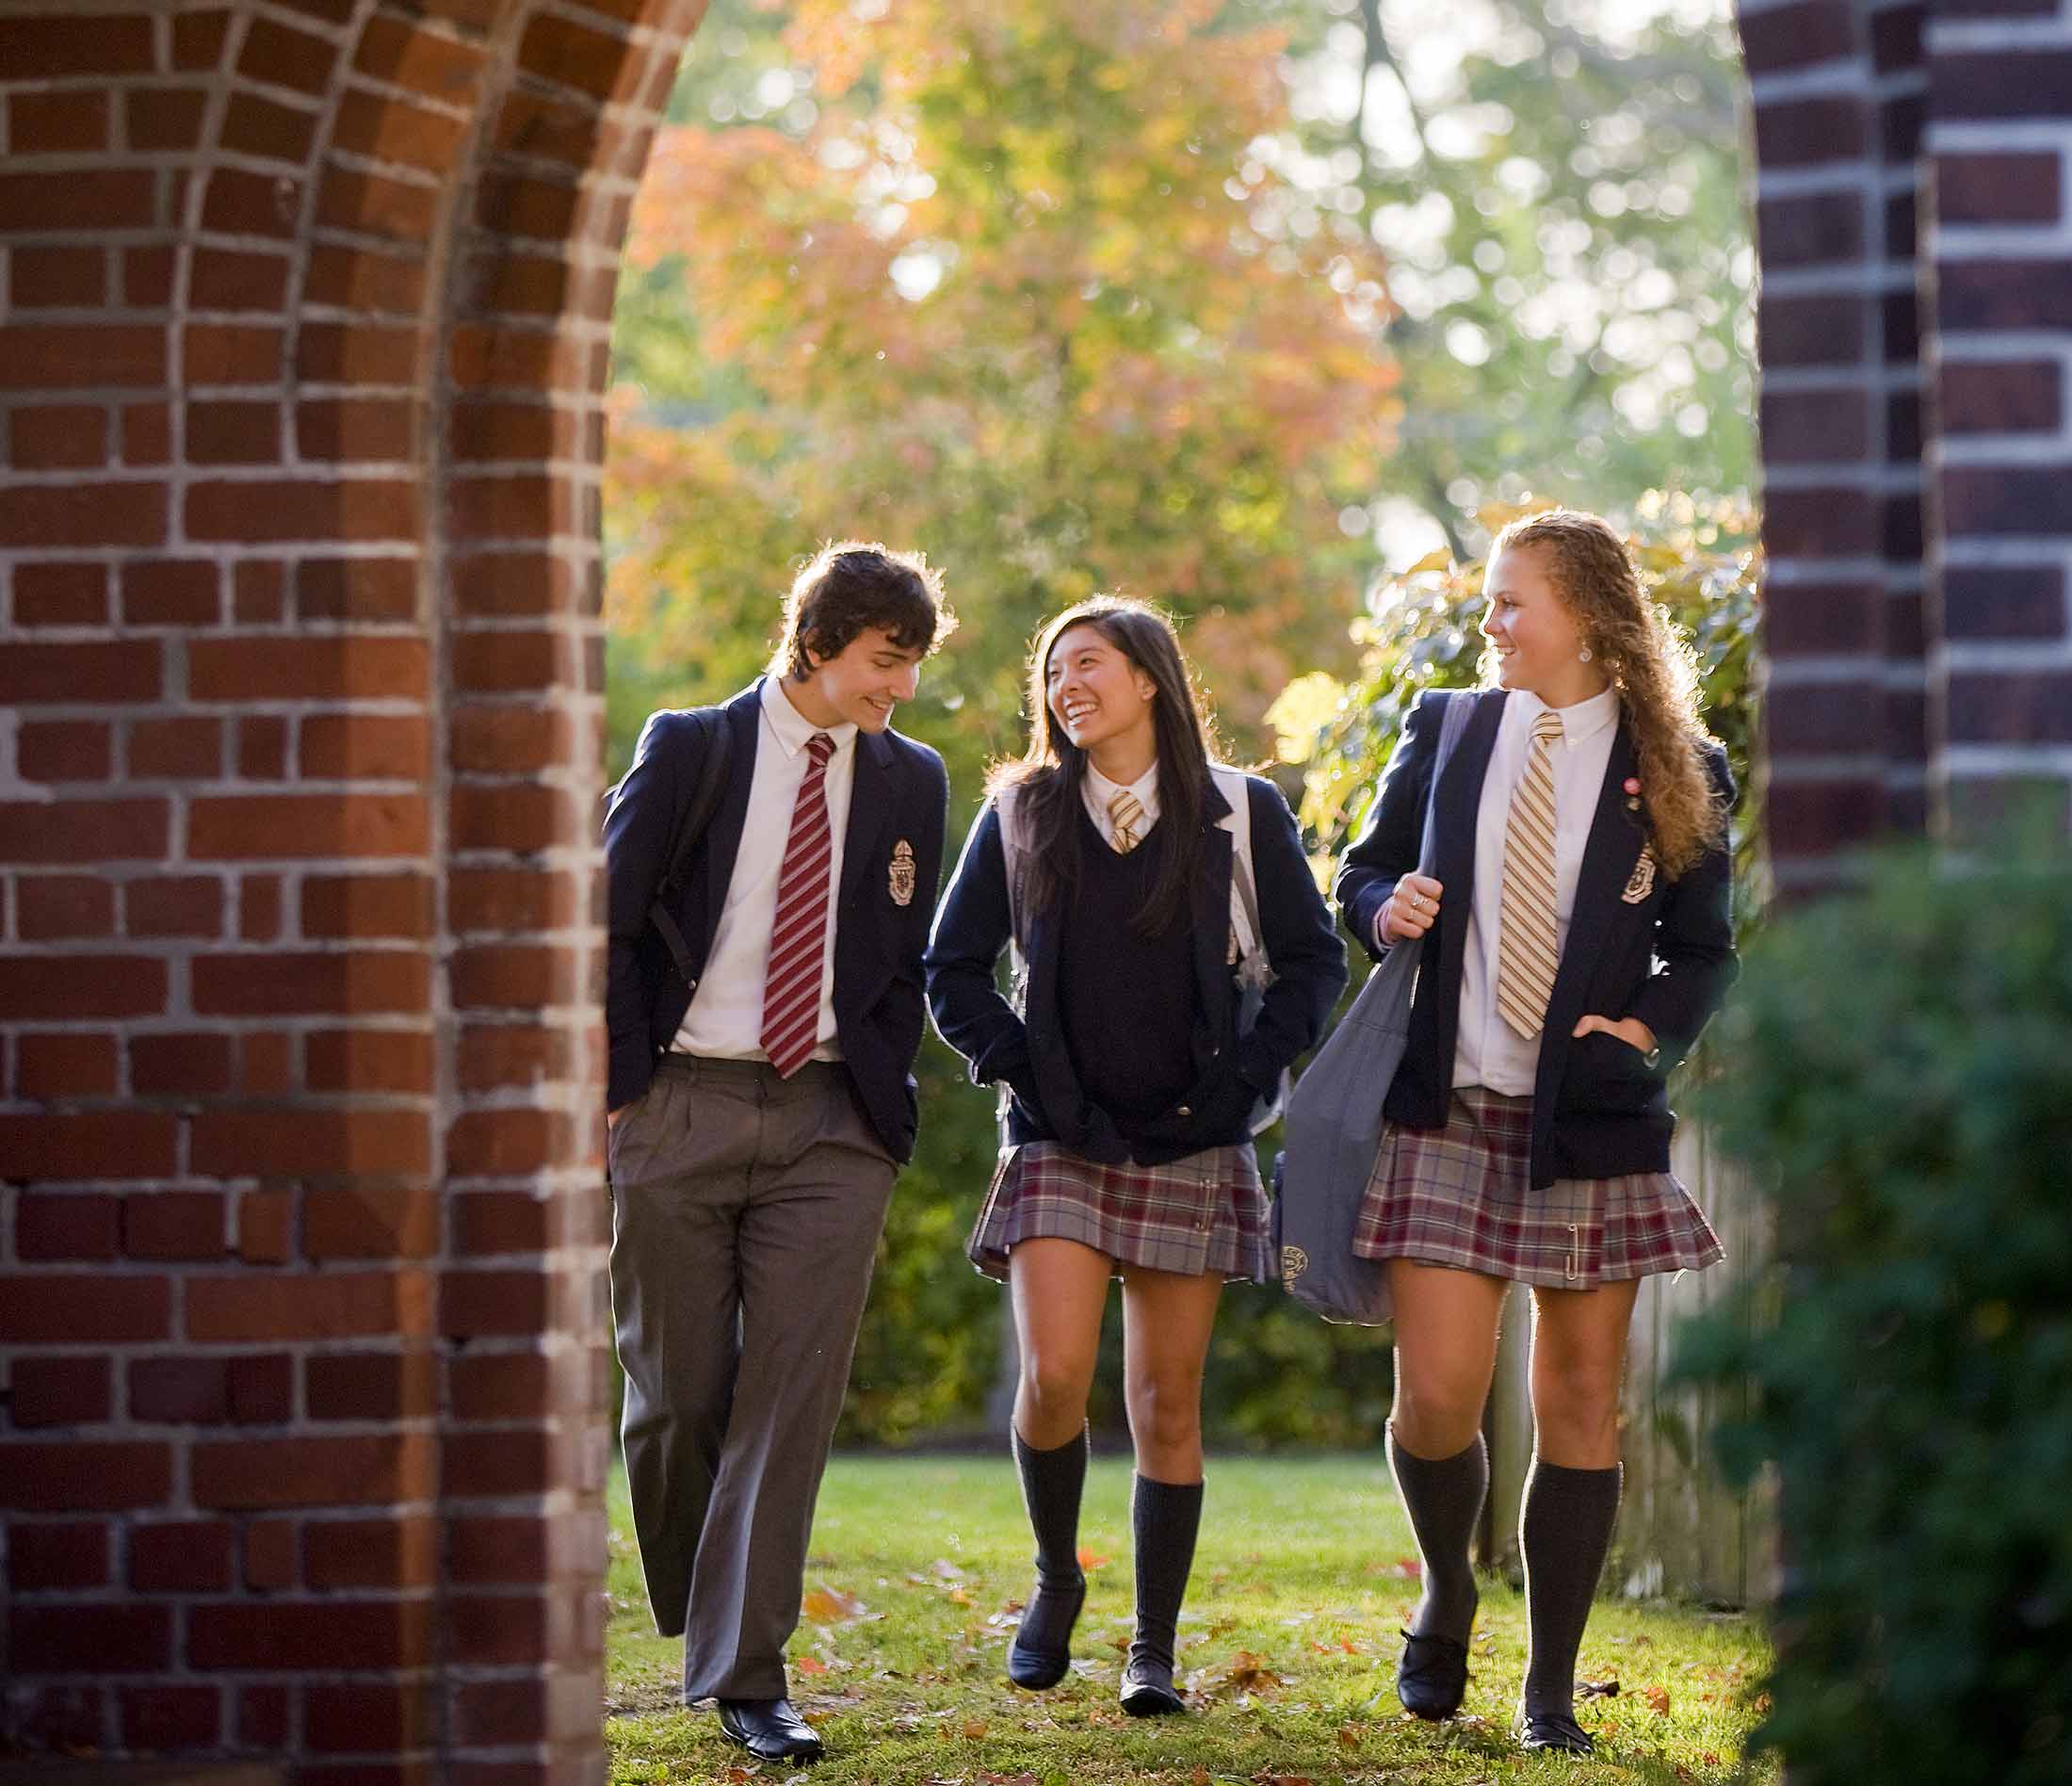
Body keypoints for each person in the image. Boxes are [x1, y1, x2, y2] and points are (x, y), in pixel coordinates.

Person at [1335, 509, 1737, 1756]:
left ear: (1587, 614)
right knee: (1435, 1400)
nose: (1492, 622)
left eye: (1513, 601)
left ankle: (1548, 1688)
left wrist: (1643, 1030)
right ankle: (1447, 1588)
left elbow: (1703, 950)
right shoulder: (1450, 728)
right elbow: (1360, 871)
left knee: (1579, 1401)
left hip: (1589, 1120)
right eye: (1490, 601)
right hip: (1446, 1106)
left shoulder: (1679, 763)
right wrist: (1384, 906)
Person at [926, 597, 1346, 1716]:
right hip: (1059, 1138)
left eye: (1089, 664)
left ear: (1150, 679)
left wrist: (1242, 1085)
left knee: (1165, 1401)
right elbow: (952, 969)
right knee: (1055, 1378)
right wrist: (1025, 1073)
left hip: (1195, 1141)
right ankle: (1056, 1576)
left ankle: (1151, 1647)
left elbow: (1312, 963)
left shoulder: (1239, 811)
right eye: (1053, 671)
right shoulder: (1021, 811)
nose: (1066, 686)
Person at [604, 543, 953, 1765]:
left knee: (788, 1400)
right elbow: (603, 923)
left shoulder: (912, 779)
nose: (901, 688)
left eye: (911, 664)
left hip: (830, 1126)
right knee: (676, 1397)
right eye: (885, 660)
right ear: (815, 645)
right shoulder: (691, 749)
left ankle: (749, 1670)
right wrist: (617, 1095)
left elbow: (900, 956)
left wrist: (882, 1104)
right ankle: (705, 1606)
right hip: (678, 1105)